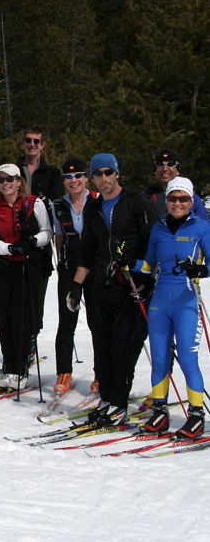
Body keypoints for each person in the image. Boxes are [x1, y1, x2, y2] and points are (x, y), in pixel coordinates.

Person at [68, 153, 155, 426]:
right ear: (92, 177)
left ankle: (119, 404)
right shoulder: (94, 208)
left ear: (117, 173)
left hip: (131, 286)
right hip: (102, 287)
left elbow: (153, 246)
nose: (104, 179)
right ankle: (107, 399)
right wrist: (76, 285)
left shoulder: (136, 203)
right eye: (98, 174)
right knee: (102, 347)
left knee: (122, 347)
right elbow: (89, 251)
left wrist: (145, 279)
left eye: (108, 173)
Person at [131, 177, 208, 438]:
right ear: (167, 201)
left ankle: (196, 414)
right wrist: (130, 261)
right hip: (160, 301)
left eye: (183, 199)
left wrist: (199, 269)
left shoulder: (201, 227)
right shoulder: (159, 227)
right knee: (160, 359)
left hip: (186, 300)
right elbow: (149, 265)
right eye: (173, 198)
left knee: (188, 358)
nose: (177, 203)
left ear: (191, 201)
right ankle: (160, 413)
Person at [0, 164, 53, 390]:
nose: (6, 183)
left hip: (28, 266)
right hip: (5, 266)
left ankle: (21, 367)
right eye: (1, 180)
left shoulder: (34, 203)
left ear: (19, 182)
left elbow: (47, 231)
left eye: (10, 179)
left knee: (22, 318)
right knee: (4, 318)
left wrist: (34, 241)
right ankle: (10, 366)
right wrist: (8, 248)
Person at [51, 157, 98, 395]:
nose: (73, 181)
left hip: (95, 267)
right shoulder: (58, 204)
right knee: (66, 320)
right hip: (70, 265)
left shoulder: (97, 200)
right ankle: (64, 371)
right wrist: (60, 260)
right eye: (68, 177)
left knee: (97, 322)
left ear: (86, 177)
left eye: (78, 176)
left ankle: (101, 372)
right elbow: (59, 235)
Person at [16, 127, 61, 346]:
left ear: (42, 145)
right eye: (28, 140)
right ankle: (19, 338)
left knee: (37, 293)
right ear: (23, 143)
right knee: (17, 294)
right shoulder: (14, 170)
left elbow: (58, 205)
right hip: (15, 240)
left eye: (36, 141)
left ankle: (32, 337)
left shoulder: (51, 173)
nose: (32, 144)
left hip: (41, 240)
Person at [143, 149, 209, 221]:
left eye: (171, 164)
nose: (165, 169)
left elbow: (203, 226)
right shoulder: (146, 196)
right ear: (155, 171)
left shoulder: (192, 198)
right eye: (160, 164)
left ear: (178, 171)